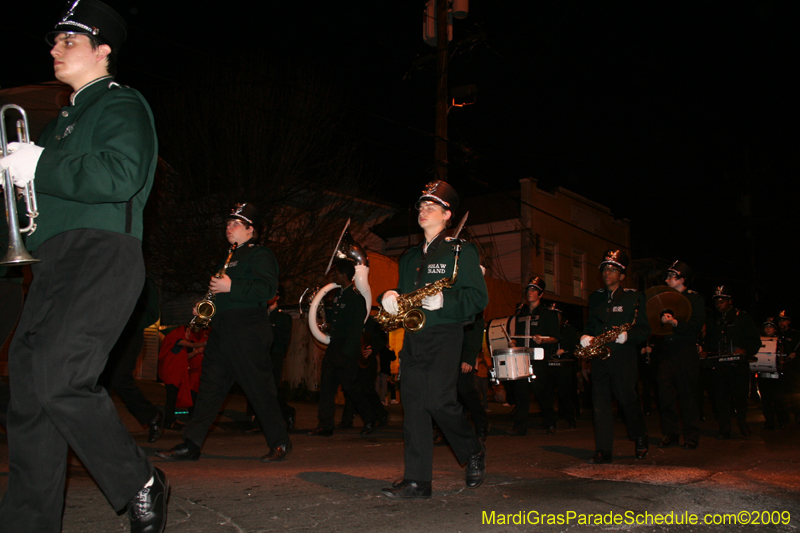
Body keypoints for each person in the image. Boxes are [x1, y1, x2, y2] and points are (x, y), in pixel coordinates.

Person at [0, 2, 167, 531]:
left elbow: (120, 174)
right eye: (54, 40)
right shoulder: (55, 127)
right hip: (49, 265)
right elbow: (36, 212)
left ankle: (140, 481)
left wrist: (40, 164)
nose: (55, 48)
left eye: (68, 40)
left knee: (62, 379)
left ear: (103, 51)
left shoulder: (121, 103)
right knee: (29, 398)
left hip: (102, 255)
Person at [157, 202, 292, 462]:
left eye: (236, 223)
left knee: (259, 390)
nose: (229, 227)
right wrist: (206, 308)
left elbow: (267, 289)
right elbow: (222, 295)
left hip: (248, 329)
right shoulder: (227, 258)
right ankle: (191, 444)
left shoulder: (259, 254)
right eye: (228, 223)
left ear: (250, 229)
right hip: (222, 329)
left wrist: (232, 286)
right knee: (209, 388)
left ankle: (280, 442)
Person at [379, 180, 488, 499]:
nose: (423, 210)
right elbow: (405, 293)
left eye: (431, 206)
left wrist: (446, 302)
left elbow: (478, 298)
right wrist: (391, 295)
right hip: (414, 336)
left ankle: (472, 449)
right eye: (421, 206)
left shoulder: (461, 251)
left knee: (438, 401)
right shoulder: (409, 257)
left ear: (447, 214)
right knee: (414, 405)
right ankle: (418, 481)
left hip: (445, 333)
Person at [580, 250, 650, 464]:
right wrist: (585, 336)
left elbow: (644, 329)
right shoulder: (596, 297)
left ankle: (640, 436)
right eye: (605, 269)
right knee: (600, 404)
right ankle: (603, 450)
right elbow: (592, 324)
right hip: (600, 358)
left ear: (622, 275)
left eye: (612, 269)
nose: (607, 273)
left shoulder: (634, 297)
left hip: (623, 357)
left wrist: (627, 336)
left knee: (627, 400)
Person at [309, 259, 380, 436]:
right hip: (335, 345)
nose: (334, 276)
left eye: (336, 273)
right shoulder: (339, 295)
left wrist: (346, 353)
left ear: (344, 275)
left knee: (350, 387)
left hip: (347, 347)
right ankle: (325, 425)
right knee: (327, 386)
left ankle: (370, 418)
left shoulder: (356, 298)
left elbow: (356, 330)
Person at [101, 277, 164, 443]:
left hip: (130, 335)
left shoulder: (143, 279)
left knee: (119, 379)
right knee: (100, 384)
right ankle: (102, 433)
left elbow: (151, 313)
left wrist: (125, 322)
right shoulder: (107, 276)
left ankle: (151, 415)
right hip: (106, 336)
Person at [656, 261, 705, 449]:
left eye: (671, 276)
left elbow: (696, 325)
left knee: (688, 395)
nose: (667, 280)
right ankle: (671, 433)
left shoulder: (694, 298)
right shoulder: (664, 298)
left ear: (682, 279)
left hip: (685, 351)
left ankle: (691, 436)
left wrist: (676, 324)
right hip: (666, 351)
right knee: (665, 394)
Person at [704, 285, 761, 439]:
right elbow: (708, 341)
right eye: (716, 302)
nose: (719, 304)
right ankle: (725, 427)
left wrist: (745, 350)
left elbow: (755, 341)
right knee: (721, 397)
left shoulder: (743, 317)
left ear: (729, 301)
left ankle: (742, 422)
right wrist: (706, 351)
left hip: (738, 365)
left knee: (741, 396)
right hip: (720, 366)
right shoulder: (711, 319)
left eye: (722, 301)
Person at [508, 277, 560, 436]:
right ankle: (520, 426)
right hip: (522, 358)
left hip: (539, 359)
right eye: (528, 289)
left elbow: (555, 337)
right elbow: (517, 336)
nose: (530, 292)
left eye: (534, 290)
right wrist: (513, 343)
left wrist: (543, 340)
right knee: (521, 392)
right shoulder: (521, 313)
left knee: (540, 392)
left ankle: (550, 421)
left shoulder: (548, 314)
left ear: (541, 294)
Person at [158, 325, 208, 429]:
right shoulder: (178, 340)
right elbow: (191, 344)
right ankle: (169, 421)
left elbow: (185, 357)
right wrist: (204, 343)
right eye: (187, 331)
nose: (189, 334)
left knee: (172, 398)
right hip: (172, 375)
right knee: (171, 398)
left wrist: (196, 352)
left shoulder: (176, 343)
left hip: (173, 375)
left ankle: (170, 421)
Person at [549, 303, 579, 428]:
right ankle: (550, 420)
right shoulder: (549, 330)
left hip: (564, 364)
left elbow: (574, 347)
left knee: (564, 393)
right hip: (550, 364)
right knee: (548, 393)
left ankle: (571, 419)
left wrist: (565, 351)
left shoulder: (568, 330)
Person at [758, 318, 787, 430]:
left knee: (779, 400)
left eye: (771, 327)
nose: (768, 329)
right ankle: (770, 422)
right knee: (766, 400)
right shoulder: (758, 341)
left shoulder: (780, 341)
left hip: (777, 375)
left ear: (775, 329)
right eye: (766, 327)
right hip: (763, 375)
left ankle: (782, 420)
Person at [777, 311, 800, 423]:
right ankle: (784, 419)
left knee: (794, 395)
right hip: (779, 368)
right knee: (781, 396)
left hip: (793, 369)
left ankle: (798, 416)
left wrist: (795, 354)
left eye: (784, 320)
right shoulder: (776, 335)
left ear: (789, 322)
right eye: (780, 321)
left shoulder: (796, 335)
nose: (782, 323)